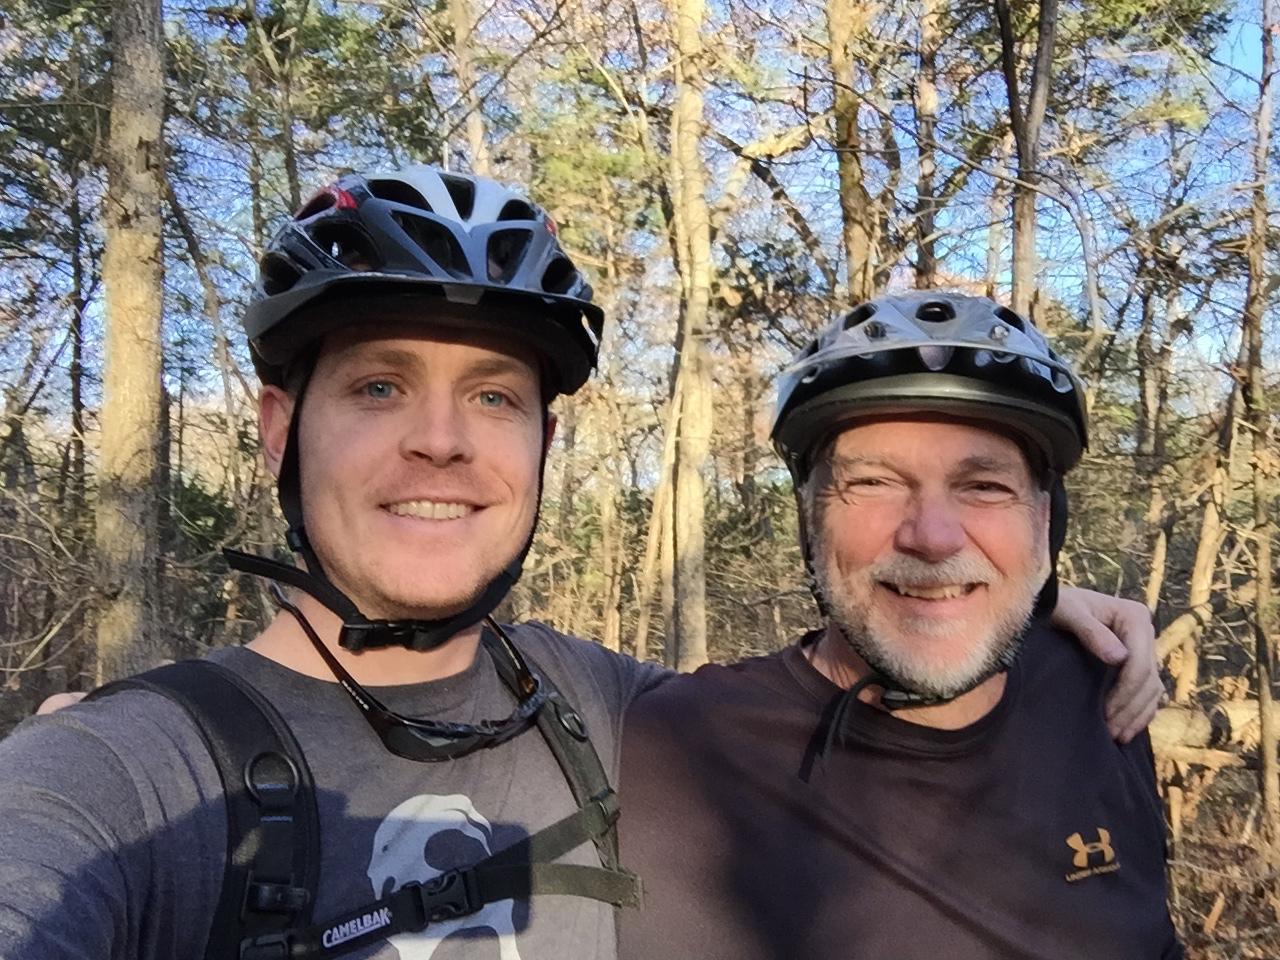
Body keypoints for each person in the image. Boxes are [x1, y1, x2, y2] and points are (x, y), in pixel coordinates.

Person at [1, 168, 1159, 960]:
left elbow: (887, 633)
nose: (442, 440)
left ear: (542, 445)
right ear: (273, 428)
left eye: (494, 396)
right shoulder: (113, 777)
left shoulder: (609, 711)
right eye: (377, 385)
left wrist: (1031, 595)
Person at [617, 291, 1181, 960]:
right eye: (875, 483)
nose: (933, 537)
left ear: (1044, 522)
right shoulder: (670, 746)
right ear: (812, 516)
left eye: (984, 486)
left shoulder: (1099, 696)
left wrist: (1030, 595)